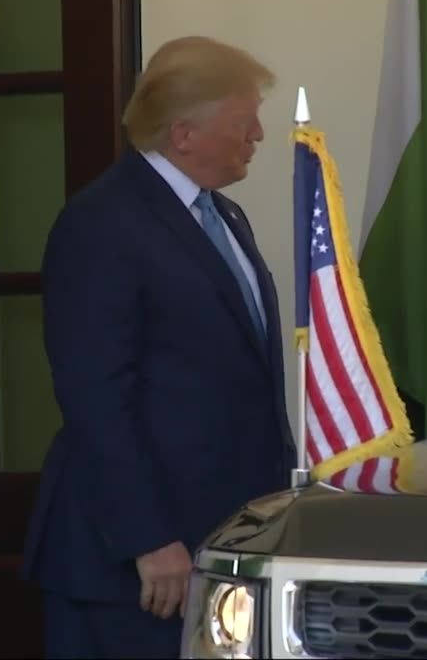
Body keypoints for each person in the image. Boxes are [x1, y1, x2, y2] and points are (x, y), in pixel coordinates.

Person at [22, 35, 296, 658]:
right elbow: (94, 394)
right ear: (184, 134)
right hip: (137, 565)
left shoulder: (225, 216)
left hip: (221, 545)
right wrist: (147, 539)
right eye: (242, 119)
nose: (257, 133)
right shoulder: (103, 223)